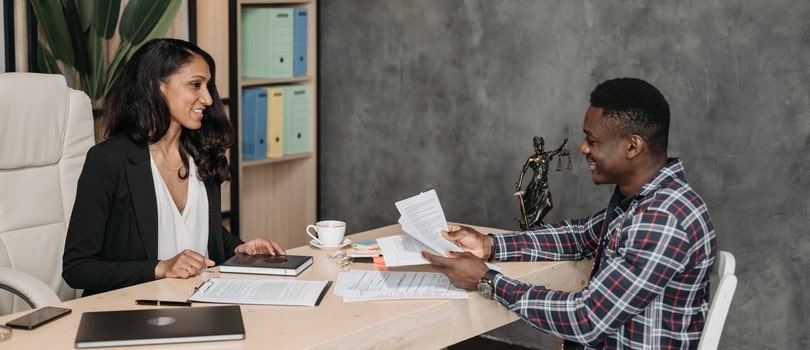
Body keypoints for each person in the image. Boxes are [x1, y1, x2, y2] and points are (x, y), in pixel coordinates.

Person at [422, 77, 716, 349]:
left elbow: (585, 319)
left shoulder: (663, 219)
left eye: (593, 140)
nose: (583, 147)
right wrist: (490, 245)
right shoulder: (645, 202)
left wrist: (488, 280)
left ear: (632, 146)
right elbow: (578, 236)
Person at [63, 38, 285, 296]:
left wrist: (238, 248)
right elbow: (77, 268)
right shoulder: (109, 160)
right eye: (195, 85)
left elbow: (199, 231)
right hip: (132, 311)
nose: (208, 98)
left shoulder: (203, 152)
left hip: (202, 300)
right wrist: (160, 268)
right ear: (156, 86)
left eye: (208, 86)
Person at [514, 136, 569, 229]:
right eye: (539, 146)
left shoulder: (547, 155)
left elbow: (557, 151)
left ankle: (536, 221)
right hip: (535, 186)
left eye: (542, 145)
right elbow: (523, 171)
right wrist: (519, 184)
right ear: (535, 147)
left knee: (549, 205)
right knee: (533, 207)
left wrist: (563, 144)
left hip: (544, 186)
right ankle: (532, 223)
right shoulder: (531, 159)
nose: (541, 147)